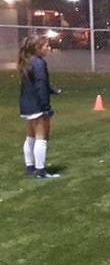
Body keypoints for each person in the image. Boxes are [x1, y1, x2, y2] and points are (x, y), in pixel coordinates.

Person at [18, 35, 62, 179]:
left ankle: (30, 166)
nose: (48, 48)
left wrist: (52, 91)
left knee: (30, 137)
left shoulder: (27, 61)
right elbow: (40, 85)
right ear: (37, 48)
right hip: (37, 106)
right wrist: (46, 107)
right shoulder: (39, 63)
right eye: (46, 46)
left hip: (26, 105)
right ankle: (41, 171)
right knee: (41, 138)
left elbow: (34, 84)